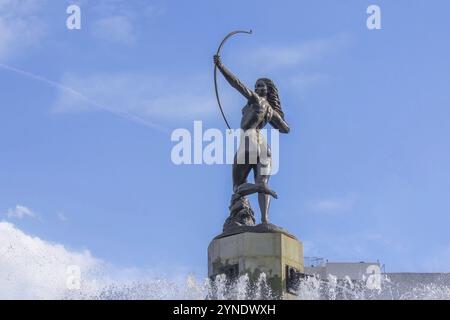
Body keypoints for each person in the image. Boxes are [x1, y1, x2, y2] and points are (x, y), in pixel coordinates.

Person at [214, 54, 290, 225]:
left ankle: (259, 188)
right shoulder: (271, 110)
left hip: (249, 140)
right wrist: (273, 117)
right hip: (264, 145)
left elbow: (237, 85)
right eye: (256, 86)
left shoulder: (256, 100)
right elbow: (285, 129)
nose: (256, 88)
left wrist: (221, 67)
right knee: (262, 179)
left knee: (237, 187)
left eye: (260, 86)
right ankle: (265, 220)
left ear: (267, 91)